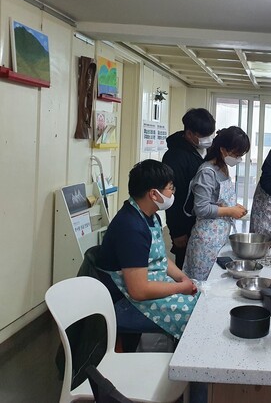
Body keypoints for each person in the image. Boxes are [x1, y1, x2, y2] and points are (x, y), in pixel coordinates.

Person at [96, 160, 199, 339]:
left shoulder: (150, 217)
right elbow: (139, 290)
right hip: (125, 302)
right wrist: (179, 288)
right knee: (197, 318)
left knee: (201, 302)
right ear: (153, 194)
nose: (173, 192)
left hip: (150, 290)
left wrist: (183, 278)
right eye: (170, 187)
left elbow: (159, 258)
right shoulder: (131, 227)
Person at [183, 126, 250, 281]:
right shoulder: (207, 172)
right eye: (236, 154)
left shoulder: (222, 167)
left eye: (241, 155)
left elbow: (219, 201)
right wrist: (230, 211)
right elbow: (201, 208)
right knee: (201, 286)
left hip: (220, 237)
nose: (238, 158)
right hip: (206, 242)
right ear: (223, 150)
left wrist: (234, 207)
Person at [162, 108, 216, 269]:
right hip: (184, 222)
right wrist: (176, 232)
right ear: (190, 133)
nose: (208, 139)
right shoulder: (175, 156)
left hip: (201, 220)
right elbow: (172, 196)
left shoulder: (205, 150)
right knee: (184, 264)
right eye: (203, 135)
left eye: (210, 134)